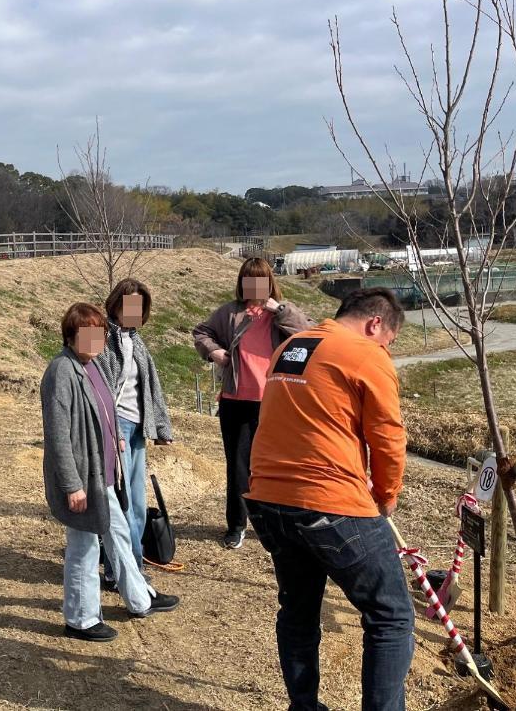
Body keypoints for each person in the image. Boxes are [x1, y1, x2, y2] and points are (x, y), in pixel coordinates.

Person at [246, 288, 411, 711]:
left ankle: (303, 706)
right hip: (327, 500)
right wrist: (386, 495)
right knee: (391, 615)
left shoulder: (290, 346)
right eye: (389, 341)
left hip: (268, 498)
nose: (386, 350)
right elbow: (388, 437)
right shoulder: (364, 354)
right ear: (376, 323)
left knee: (298, 611)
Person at [42, 302, 178, 643]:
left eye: (99, 334)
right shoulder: (62, 370)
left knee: (118, 536)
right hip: (83, 480)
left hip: (104, 476)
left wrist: (115, 434)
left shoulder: (93, 366)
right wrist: (72, 485)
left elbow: (106, 407)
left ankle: (139, 598)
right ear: (70, 336)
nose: (94, 341)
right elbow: (58, 435)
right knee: (84, 547)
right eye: (85, 334)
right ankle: (81, 618)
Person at [192, 257, 313, 549]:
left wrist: (280, 309)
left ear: (270, 283)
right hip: (235, 401)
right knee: (238, 467)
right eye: (249, 280)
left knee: (274, 466)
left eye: (260, 280)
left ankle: (272, 523)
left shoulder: (279, 313)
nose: (254, 286)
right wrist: (215, 353)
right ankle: (236, 525)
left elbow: (310, 334)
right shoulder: (230, 313)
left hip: (274, 402)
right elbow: (201, 332)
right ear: (242, 283)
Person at [92, 279, 173, 581]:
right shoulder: (102, 338)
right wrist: (111, 433)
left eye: (139, 306)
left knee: (137, 504)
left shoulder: (135, 340)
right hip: (117, 430)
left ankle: (129, 569)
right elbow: (97, 390)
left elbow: (150, 386)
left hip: (136, 429)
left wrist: (160, 427)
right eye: (128, 305)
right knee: (122, 504)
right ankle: (123, 573)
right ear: (115, 304)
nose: (134, 311)